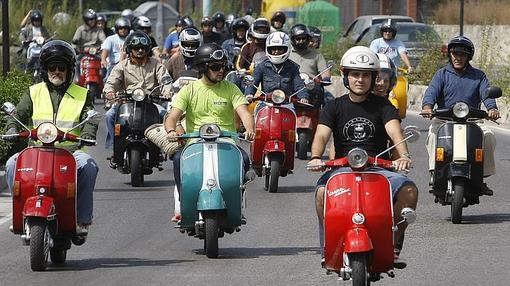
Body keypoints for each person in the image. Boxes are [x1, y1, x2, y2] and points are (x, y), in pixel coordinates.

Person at [307, 46, 418, 266]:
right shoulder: (334, 106)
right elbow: (321, 134)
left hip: (379, 169)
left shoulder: (383, 106)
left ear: (373, 77)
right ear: (346, 76)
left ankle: (392, 244)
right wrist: (316, 157)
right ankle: (327, 247)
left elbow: (395, 131)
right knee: (321, 193)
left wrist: (403, 154)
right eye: (355, 74)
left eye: (365, 75)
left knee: (409, 190)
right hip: (341, 169)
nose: (360, 80)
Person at [4, 40, 98, 236]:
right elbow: (18, 114)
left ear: (69, 70)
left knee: (88, 166)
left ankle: (82, 219)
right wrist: (12, 127)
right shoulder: (33, 92)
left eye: (61, 67)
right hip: (35, 150)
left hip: (71, 152)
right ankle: (18, 214)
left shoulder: (83, 94)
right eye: (52, 67)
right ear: (45, 70)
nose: (56, 71)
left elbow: (90, 118)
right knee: (12, 163)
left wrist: (88, 134)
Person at [164, 43, 256, 221]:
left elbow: (245, 113)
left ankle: (237, 199)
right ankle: (183, 203)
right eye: (215, 67)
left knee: (244, 159)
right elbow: (172, 117)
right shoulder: (189, 90)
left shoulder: (231, 88)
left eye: (222, 66)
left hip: (226, 142)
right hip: (195, 143)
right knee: (177, 160)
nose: (220, 70)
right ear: (203, 67)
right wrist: (171, 130)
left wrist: (250, 129)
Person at [420, 35, 499, 196]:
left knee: (489, 136)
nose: (458, 57)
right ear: (450, 54)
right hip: (444, 120)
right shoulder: (441, 74)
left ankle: (482, 175)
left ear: (468, 57)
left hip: (473, 120)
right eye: (455, 53)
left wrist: (492, 109)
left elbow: (487, 94)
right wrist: (428, 107)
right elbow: (431, 92)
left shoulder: (479, 76)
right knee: (433, 135)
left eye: (462, 54)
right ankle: (435, 172)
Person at [103, 31, 172, 150]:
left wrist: (167, 91)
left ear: (148, 49)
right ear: (130, 49)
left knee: (165, 115)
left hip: (151, 103)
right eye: (136, 48)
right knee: (110, 115)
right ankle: (115, 145)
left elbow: (165, 79)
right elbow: (111, 82)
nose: (140, 50)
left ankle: (160, 147)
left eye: (143, 48)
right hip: (126, 102)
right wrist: (109, 91)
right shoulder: (122, 65)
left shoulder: (156, 64)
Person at [244, 31, 309, 106]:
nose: (276, 52)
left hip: (286, 104)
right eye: (273, 49)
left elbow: (299, 85)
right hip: (265, 104)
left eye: (280, 49)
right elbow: (253, 82)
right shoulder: (261, 66)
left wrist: (303, 97)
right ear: (268, 49)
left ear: (286, 49)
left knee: (294, 117)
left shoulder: (293, 67)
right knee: (255, 116)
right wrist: (249, 94)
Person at [288, 24, 331, 108]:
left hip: (311, 87)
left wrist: (326, 78)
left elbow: (324, 71)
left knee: (329, 103)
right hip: (290, 88)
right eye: (298, 38)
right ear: (293, 39)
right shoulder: (287, 54)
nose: (301, 41)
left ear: (308, 39)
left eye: (304, 38)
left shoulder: (317, 55)